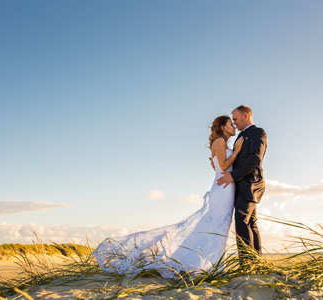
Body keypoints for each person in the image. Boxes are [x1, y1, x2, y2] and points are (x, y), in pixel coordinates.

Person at [92, 115, 243, 278]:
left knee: (218, 226)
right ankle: (211, 266)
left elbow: (218, 168)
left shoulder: (221, 143)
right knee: (218, 227)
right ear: (222, 127)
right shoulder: (219, 141)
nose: (234, 126)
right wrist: (237, 151)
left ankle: (211, 264)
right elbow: (224, 166)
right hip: (222, 189)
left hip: (225, 187)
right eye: (230, 123)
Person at [217, 105, 268, 264]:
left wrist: (232, 175)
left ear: (246, 116)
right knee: (250, 223)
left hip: (251, 184)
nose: (234, 123)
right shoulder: (240, 137)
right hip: (241, 186)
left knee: (242, 221)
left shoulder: (258, 132)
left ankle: (247, 264)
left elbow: (254, 159)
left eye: (236, 119)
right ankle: (256, 263)